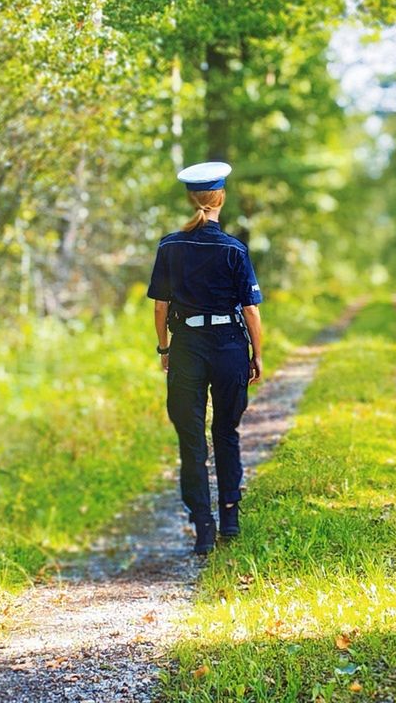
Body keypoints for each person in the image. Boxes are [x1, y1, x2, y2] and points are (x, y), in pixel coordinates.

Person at [148, 161, 265, 556]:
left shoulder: (169, 246)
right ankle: (229, 515)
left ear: (191, 198)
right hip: (230, 345)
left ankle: (203, 525)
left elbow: (160, 307)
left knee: (191, 439)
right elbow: (251, 310)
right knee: (226, 432)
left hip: (187, 348)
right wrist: (257, 353)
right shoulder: (234, 249)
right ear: (221, 198)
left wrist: (164, 348)